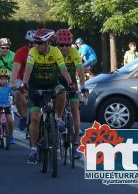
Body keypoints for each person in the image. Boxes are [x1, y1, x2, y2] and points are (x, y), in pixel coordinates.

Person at [20, 28, 76, 164]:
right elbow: (28, 69)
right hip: (35, 86)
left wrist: (70, 82)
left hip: (52, 84)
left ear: (48, 43)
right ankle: (33, 149)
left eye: (39, 43)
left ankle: (58, 118)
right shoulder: (32, 52)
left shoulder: (56, 51)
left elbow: (63, 69)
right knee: (35, 118)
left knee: (62, 91)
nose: (36, 45)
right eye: (35, 42)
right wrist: (24, 84)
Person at [54, 29, 87, 159]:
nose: (65, 48)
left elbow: (79, 69)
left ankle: (75, 142)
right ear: (57, 45)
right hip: (56, 81)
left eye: (67, 45)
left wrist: (83, 86)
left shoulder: (74, 52)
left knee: (75, 110)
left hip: (71, 82)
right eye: (61, 45)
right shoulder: (53, 52)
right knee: (57, 103)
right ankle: (57, 123)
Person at [10, 30, 35, 132]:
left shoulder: (42, 52)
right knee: (17, 95)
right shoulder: (20, 52)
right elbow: (15, 69)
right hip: (21, 79)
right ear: (29, 43)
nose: (37, 46)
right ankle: (23, 116)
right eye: (35, 43)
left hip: (36, 79)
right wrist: (12, 83)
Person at [0, 69, 15, 144]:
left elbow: (14, 94)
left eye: (5, 79)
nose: (3, 80)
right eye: (1, 79)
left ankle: (11, 136)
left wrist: (16, 98)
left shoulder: (8, 87)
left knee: (10, 120)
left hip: (6, 105)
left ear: (7, 79)